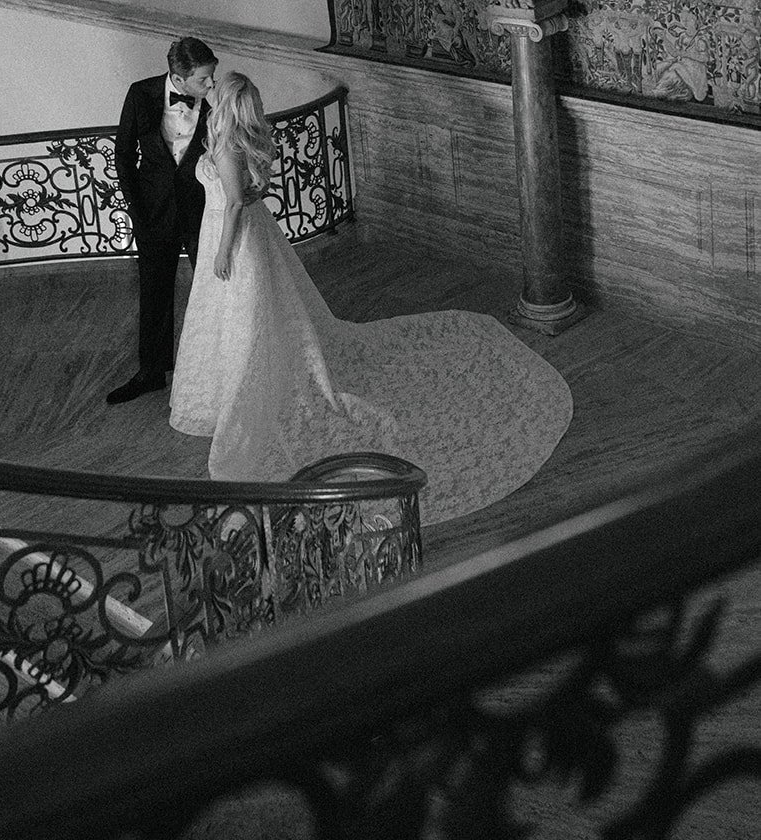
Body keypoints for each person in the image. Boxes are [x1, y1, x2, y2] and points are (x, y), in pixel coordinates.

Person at [169, 73, 573, 523]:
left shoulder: (225, 146)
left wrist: (223, 251)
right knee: (253, 316)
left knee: (248, 318)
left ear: (223, 104)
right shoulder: (238, 140)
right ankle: (250, 377)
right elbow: (252, 192)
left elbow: (233, 204)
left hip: (235, 240)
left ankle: (253, 386)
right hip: (249, 237)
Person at [106, 36, 218, 405]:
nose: (210, 85)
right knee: (153, 292)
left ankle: (217, 371)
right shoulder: (141, 94)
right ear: (178, 78)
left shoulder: (216, 101)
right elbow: (123, 154)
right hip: (153, 211)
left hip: (201, 209)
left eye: (211, 77)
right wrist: (136, 212)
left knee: (213, 289)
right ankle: (150, 373)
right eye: (203, 80)